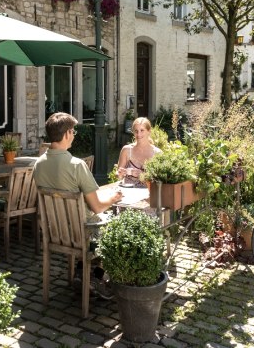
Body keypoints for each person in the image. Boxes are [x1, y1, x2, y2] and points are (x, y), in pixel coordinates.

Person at [33, 112, 122, 299]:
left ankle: (82, 273)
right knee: (119, 228)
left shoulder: (38, 164)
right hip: (81, 232)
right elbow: (97, 207)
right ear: (66, 134)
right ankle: (93, 276)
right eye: (73, 131)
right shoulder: (77, 165)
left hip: (55, 232)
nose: (74, 135)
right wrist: (114, 198)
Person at [116, 117, 162, 188]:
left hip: (150, 193)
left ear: (149, 131)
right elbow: (118, 176)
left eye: (142, 130)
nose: (138, 134)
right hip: (129, 193)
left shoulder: (157, 153)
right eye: (136, 131)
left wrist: (143, 175)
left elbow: (161, 179)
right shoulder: (126, 150)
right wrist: (120, 173)